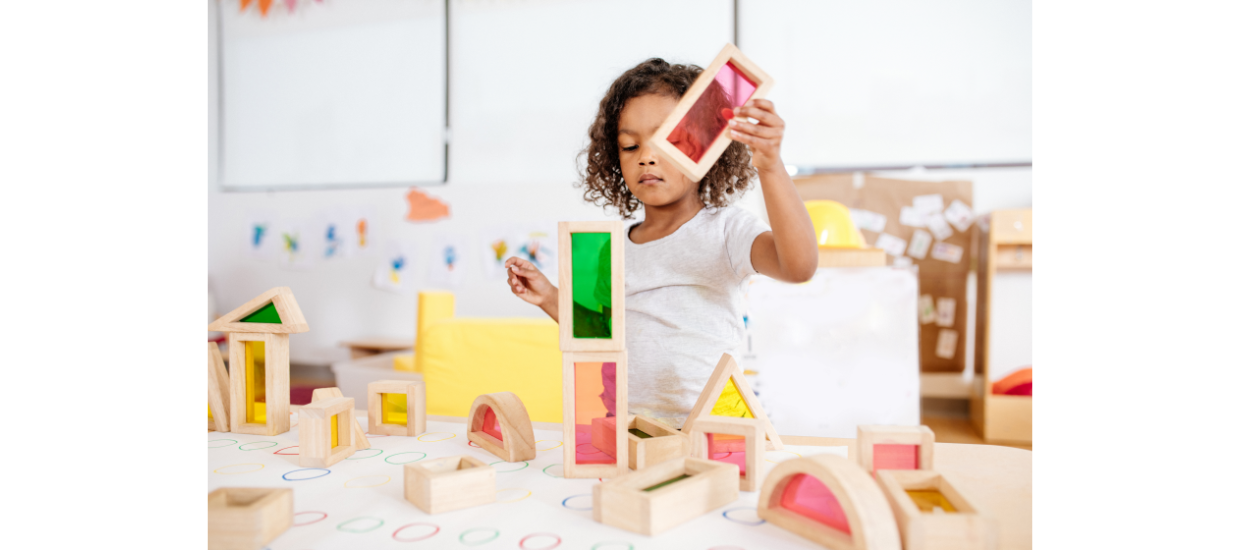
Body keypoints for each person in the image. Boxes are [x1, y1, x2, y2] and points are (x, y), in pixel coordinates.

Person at [505, 58, 817, 428]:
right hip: (627, 427)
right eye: (629, 146)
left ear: (706, 149)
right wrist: (549, 297)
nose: (646, 157)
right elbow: (594, 331)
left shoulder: (726, 230)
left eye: (665, 143)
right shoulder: (610, 246)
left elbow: (798, 266)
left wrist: (770, 166)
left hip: (710, 429)